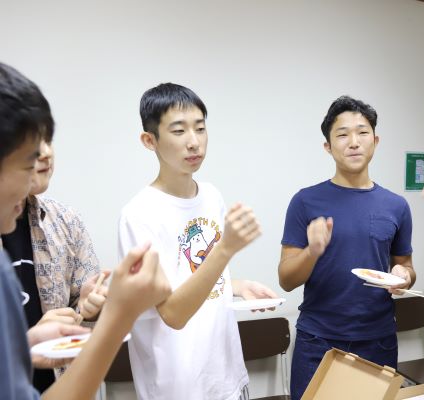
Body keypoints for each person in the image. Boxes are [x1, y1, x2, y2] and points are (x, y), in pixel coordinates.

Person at [0, 61, 171, 399]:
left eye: (48, 143)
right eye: (28, 160)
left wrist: (26, 344)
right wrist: (120, 316)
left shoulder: (66, 221)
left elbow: (84, 308)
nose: (43, 159)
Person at [118, 82, 278, 400]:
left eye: (200, 128)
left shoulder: (211, 196)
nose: (194, 142)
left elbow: (191, 272)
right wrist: (226, 249)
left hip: (225, 374)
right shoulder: (138, 214)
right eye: (179, 131)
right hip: (178, 386)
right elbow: (173, 313)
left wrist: (236, 285)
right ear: (149, 140)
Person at [278, 95, 416, 400]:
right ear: (328, 146)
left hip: (378, 340)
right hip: (318, 340)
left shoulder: (396, 206)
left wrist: (404, 276)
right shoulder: (305, 201)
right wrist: (312, 252)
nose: (354, 142)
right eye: (342, 134)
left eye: (362, 132)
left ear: (375, 141)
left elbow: (406, 266)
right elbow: (286, 279)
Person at [1, 138, 108, 392]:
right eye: (31, 141)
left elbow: (86, 323)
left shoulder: (66, 222)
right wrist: (26, 344)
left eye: (47, 139)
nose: (46, 153)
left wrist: (88, 310)